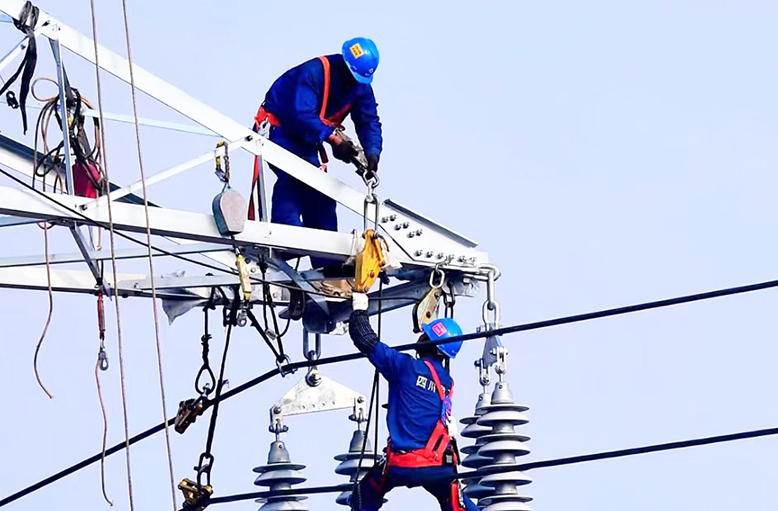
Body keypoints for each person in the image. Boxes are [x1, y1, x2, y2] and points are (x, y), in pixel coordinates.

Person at [254, 37, 383, 269]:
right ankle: (287, 237)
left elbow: (368, 120)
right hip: (281, 129)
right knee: (295, 177)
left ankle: (328, 264)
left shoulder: (360, 86)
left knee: (321, 195)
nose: (355, 82)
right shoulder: (314, 73)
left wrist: (372, 152)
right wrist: (333, 139)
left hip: (308, 138)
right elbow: (299, 115)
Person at [348, 293, 479, 511]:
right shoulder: (447, 382)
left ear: (428, 342)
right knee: (458, 503)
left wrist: (359, 305)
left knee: (362, 497)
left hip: (401, 464)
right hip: (439, 465)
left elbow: (364, 338)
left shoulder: (405, 367)